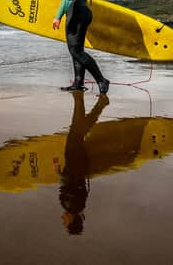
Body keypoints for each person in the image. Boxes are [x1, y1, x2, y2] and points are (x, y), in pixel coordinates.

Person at [52, 0, 109, 94]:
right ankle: (78, 83)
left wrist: (57, 16)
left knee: (76, 51)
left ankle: (102, 80)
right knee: (77, 49)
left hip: (76, 14)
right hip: (82, 12)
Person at [59, 90, 109, 235]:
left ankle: (81, 102)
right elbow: (68, 182)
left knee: (76, 129)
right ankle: (97, 105)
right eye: (65, 223)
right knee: (77, 131)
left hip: (79, 164)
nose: (63, 221)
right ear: (72, 221)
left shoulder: (78, 206)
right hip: (74, 162)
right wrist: (60, 172)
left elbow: (73, 184)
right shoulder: (71, 205)